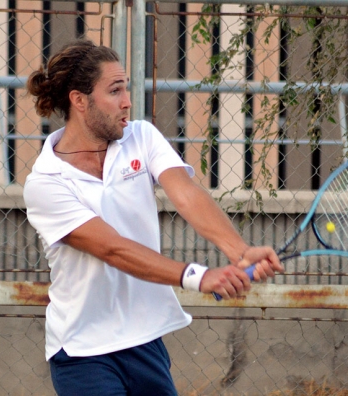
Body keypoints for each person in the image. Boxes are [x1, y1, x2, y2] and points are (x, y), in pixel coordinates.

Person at [23, 39, 283, 395]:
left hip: (146, 341)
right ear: (79, 100)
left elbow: (187, 194)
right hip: (83, 351)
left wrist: (239, 251)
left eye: (126, 88)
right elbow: (113, 249)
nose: (127, 100)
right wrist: (196, 276)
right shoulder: (46, 182)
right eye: (114, 91)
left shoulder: (141, 137)